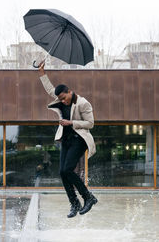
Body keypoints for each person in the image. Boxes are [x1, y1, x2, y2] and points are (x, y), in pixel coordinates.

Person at [38, 61, 98, 218]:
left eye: (64, 98)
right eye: (61, 99)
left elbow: (90, 124)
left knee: (67, 170)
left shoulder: (83, 103)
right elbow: (50, 89)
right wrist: (42, 73)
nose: (63, 101)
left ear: (70, 92)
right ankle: (74, 203)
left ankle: (88, 197)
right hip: (66, 140)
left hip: (80, 139)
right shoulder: (60, 97)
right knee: (62, 172)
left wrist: (71, 122)